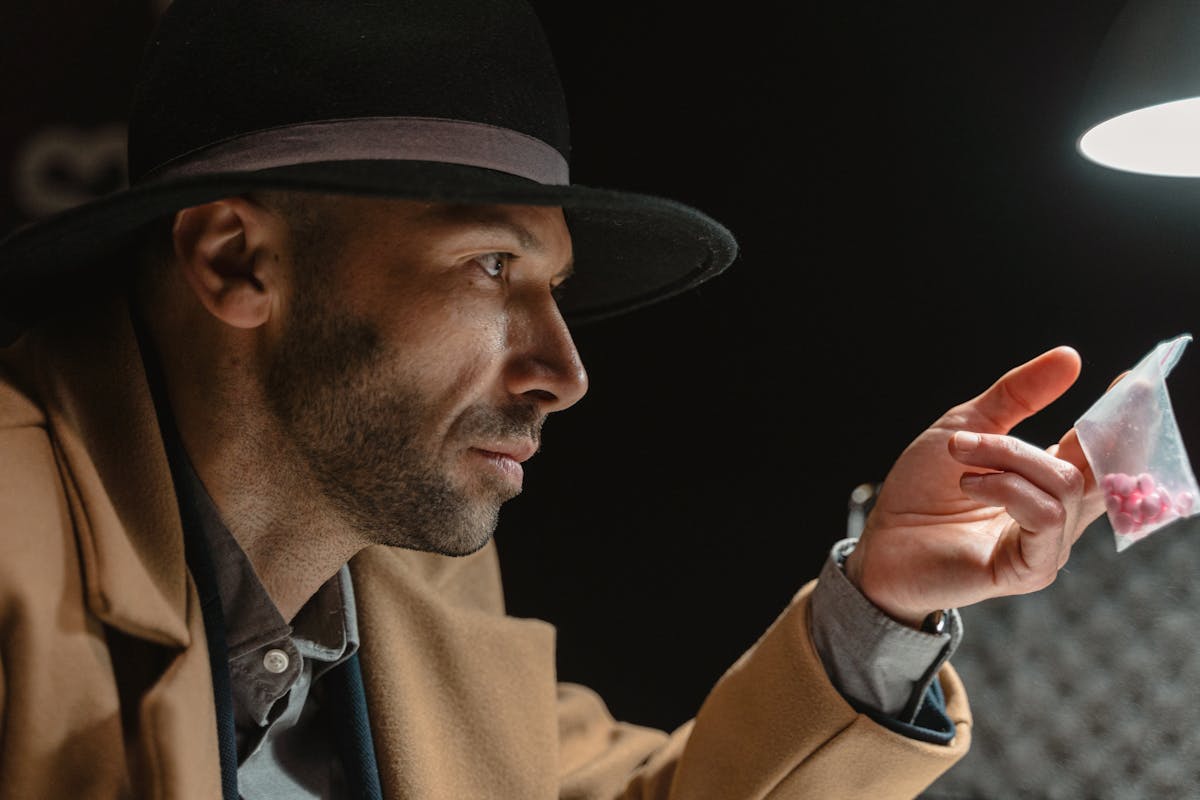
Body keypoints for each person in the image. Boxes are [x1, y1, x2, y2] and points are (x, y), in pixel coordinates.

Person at [0, 1, 1105, 798]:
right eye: (490, 265)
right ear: (240, 262)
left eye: (555, 287)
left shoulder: (418, 572)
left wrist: (888, 598)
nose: (565, 371)